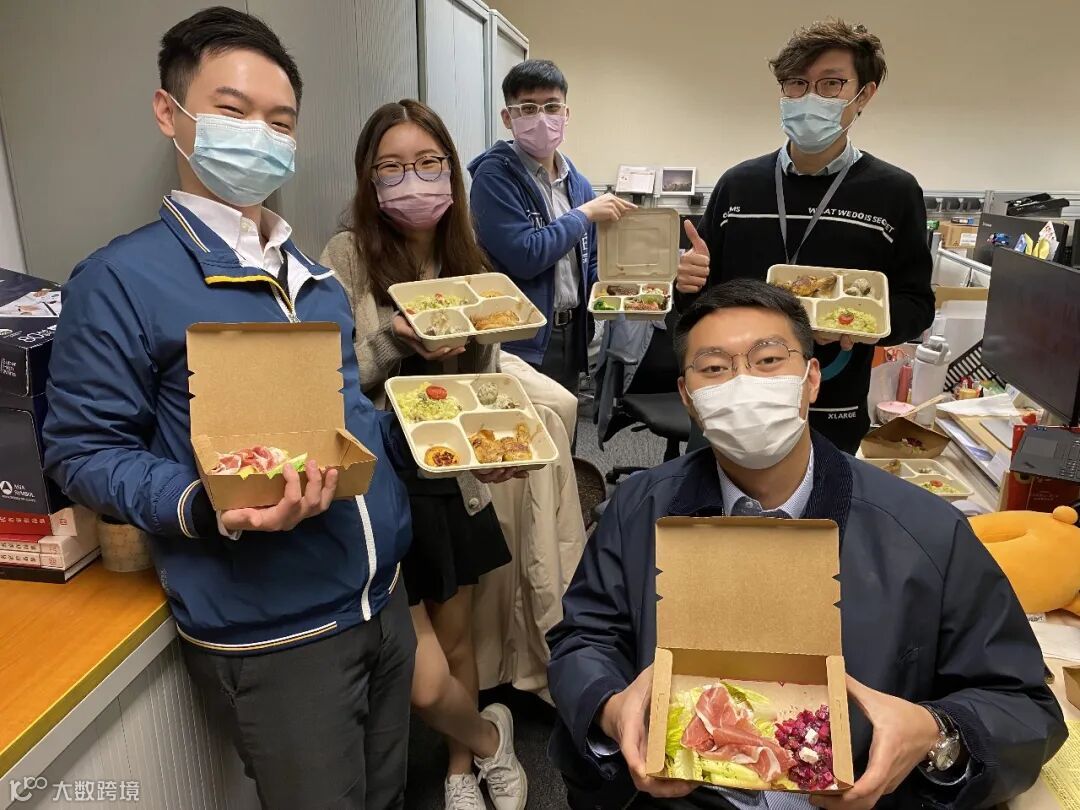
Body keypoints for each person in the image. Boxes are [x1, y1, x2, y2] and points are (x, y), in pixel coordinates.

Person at [42, 9, 479, 809]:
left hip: (380, 598)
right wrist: (203, 503)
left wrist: (440, 440)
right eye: (233, 110)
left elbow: (346, 426)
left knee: (387, 794)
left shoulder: (312, 276)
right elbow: (80, 452)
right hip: (279, 630)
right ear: (169, 112)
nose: (260, 136)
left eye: (280, 121)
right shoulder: (121, 280)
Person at [546, 279, 1066, 810]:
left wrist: (936, 734)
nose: (744, 384)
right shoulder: (639, 509)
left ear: (812, 379)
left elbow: (1023, 705)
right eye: (715, 368)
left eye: (769, 360)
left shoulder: (925, 532)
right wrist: (610, 706)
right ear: (688, 397)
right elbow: (583, 637)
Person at [320, 99, 527, 810]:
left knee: (459, 641)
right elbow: (329, 374)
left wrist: (495, 445)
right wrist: (395, 341)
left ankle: (460, 768)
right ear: (369, 178)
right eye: (392, 167)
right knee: (419, 670)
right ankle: (492, 736)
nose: (413, 180)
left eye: (428, 162)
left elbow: (484, 377)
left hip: (448, 475)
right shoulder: (346, 255)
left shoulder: (467, 258)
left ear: (450, 169)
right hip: (381, 485)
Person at [675, 20, 935, 454]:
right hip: (731, 398)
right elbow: (693, 306)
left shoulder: (894, 192)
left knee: (824, 497)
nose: (809, 97)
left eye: (830, 84)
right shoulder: (738, 185)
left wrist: (868, 328)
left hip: (831, 404)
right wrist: (686, 285)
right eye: (796, 83)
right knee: (712, 496)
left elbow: (917, 305)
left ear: (863, 95)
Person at [468, 58, 634, 398]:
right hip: (519, 337)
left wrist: (629, 283)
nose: (542, 117)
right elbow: (526, 255)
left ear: (566, 113)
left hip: (571, 333)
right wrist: (583, 215)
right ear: (508, 117)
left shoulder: (577, 183)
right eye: (529, 108)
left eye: (552, 106)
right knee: (524, 425)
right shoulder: (494, 177)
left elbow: (589, 261)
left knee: (566, 420)